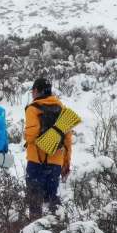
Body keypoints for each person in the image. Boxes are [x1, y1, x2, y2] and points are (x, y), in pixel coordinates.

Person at [24, 77, 72, 219]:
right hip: (55, 161)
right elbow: (68, 141)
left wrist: (25, 135)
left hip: (36, 161)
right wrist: (66, 163)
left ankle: (34, 230)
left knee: (35, 199)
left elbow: (31, 135)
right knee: (52, 198)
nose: (32, 93)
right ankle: (57, 226)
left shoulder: (33, 109)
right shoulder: (62, 109)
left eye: (33, 90)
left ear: (37, 91)